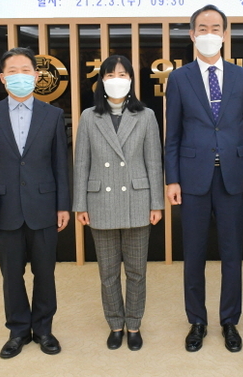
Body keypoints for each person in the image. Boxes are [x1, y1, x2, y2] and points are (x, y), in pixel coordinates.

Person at [165, 4, 243, 353]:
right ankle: (197, 321)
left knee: (232, 253)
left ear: (225, 34)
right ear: (193, 35)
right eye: (202, 28)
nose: (209, 34)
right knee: (194, 254)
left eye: (215, 28)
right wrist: (172, 179)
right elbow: (172, 134)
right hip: (192, 178)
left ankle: (229, 321)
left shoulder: (242, 76)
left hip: (233, 177)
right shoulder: (179, 78)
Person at [0, 47, 70, 359]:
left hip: (44, 206)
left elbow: (60, 165)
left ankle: (43, 329)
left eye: (25, 70)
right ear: (2, 78)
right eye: (12, 71)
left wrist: (63, 205)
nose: (19, 76)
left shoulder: (53, 115)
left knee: (45, 273)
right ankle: (17, 330)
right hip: (4, 209)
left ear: (36, 76)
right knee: (11, 275)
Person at [73, 55, 164, 351]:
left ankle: (134, 324)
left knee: (137, 272)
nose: (117, 79)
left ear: (131, 80)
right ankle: (115, 324)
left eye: (122, 74)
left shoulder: (146, 115)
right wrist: (80, 204)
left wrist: (156, 204)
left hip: (137, 200)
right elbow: (81, 163)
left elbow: (154, 162)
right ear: (101, 80)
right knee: (108, 273)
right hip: (100, 201)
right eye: (110, 74)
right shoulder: (89, 117)